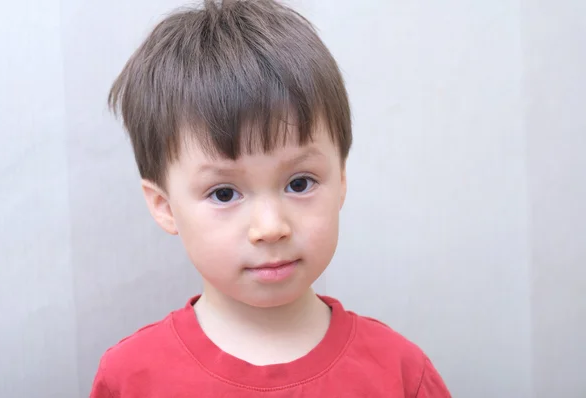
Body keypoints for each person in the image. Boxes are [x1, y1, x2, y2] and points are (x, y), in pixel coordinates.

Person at [90, 0, 451, 396]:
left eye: (300, 183)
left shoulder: (399, 372)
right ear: (164, 206)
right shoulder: (131, 378)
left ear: (341, 180)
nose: (270, 227)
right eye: (224, 193)